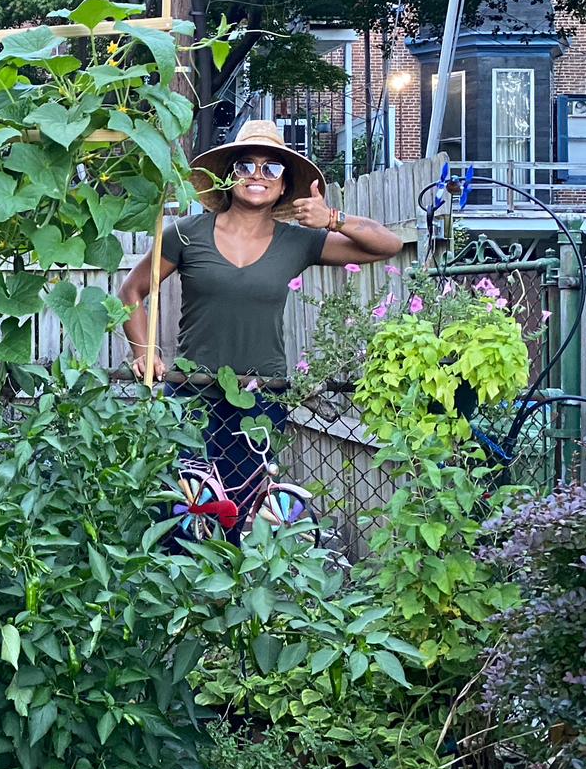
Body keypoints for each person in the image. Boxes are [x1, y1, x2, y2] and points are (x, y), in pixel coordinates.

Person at [118, 119, 403, 515]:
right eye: (245, 165)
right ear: (228, 176)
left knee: (238, 511)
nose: (257, 175)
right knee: (181, 514)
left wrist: (333, 219)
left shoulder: (298, 242)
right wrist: (144, 351)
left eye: (271, 168)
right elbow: (131, 291)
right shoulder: (186, 233)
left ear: (284, 185)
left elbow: (387, 245)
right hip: (190, 391)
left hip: (260, 395)